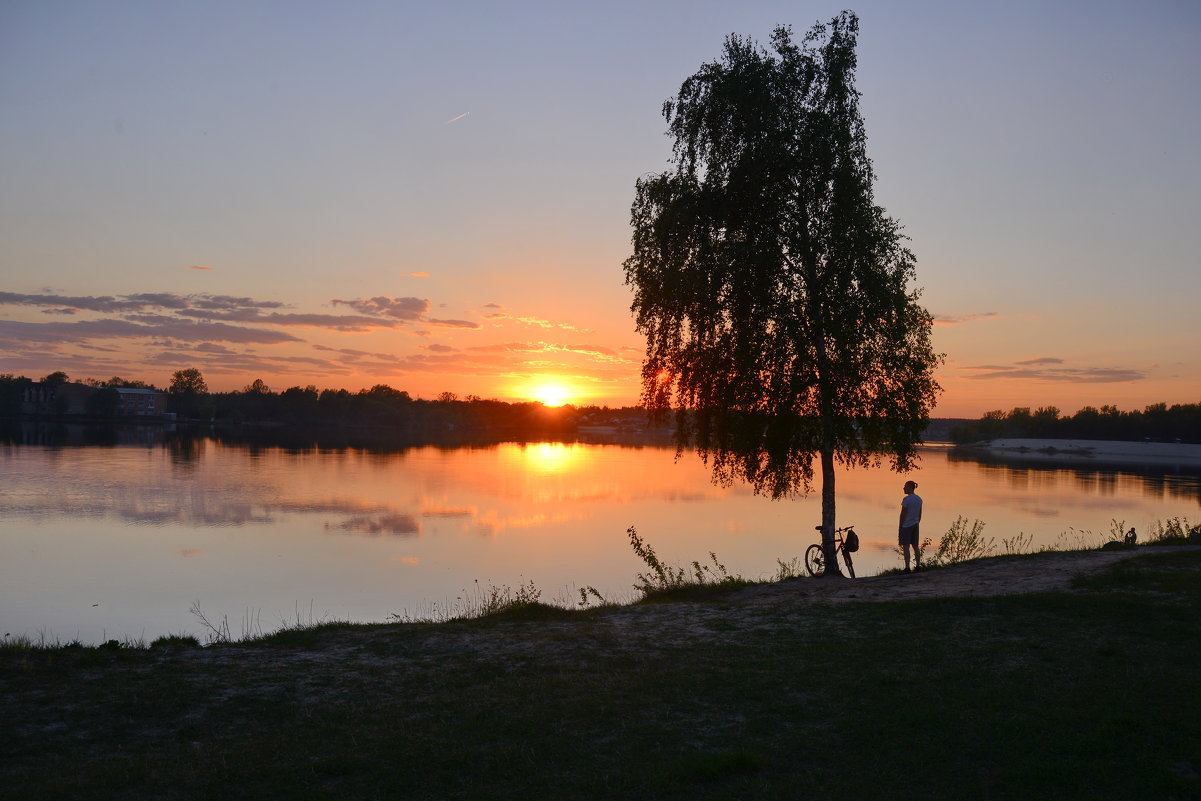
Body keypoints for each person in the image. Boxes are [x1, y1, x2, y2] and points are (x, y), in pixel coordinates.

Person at [899, 480, 923, 572]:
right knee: (915, 546)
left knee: (906, 546)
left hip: (906, 525)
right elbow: (920, 514)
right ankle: (918, 566)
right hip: (915, 524)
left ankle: (907, 567)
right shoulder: (919, 499)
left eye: (905, 486)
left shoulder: (906, 500)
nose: (904, 488)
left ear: (910, 487)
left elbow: (903, 514)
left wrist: (900, 526)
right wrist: (917, 522)